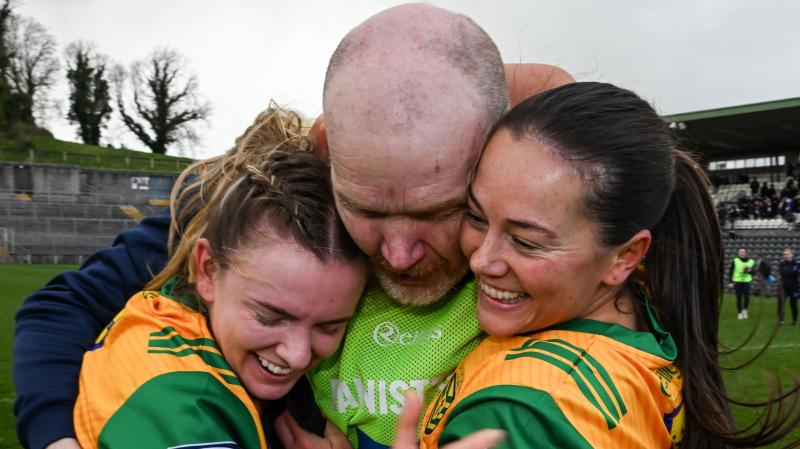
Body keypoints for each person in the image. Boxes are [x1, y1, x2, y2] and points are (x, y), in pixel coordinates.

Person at [13, 4, 574, 449]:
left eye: (438, 212)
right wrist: (58, 439)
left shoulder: (544, 228)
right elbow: (63, 308)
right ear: (330, 154)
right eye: (368, 211)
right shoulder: (263, 212)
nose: (399, 254)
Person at [418, 83, 799, 448]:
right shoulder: (635, 304)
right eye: (476, 217)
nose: (481, 260)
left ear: (625, 257)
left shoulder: (519, 415)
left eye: (526, 242)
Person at [74, 106, 369, 448]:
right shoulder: (177, 401)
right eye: (270, 316)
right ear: (208, 270)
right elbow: (62, 305)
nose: (298, 355)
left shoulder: (194, 335)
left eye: (329, 328)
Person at [729, 247, 755, 319]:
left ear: (746, 253)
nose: (741, 253)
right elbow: (731, 271)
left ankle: (745, 310)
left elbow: (754, 272)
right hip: (738, 282)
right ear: (738, 253)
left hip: (747, 281)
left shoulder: (751, 261)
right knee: (739, 298)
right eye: (740, 252)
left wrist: (749, 271)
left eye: (743, 252)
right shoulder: (735, 260)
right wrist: (730, 282)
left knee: (747, 298)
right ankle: (739, 313)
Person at [777, 248, 800, 326]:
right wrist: (793, 272)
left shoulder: (797, 264)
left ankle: (794, 321)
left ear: (792, 255)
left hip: (794, 287)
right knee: (781, 304)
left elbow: (790, 272)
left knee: (793, 304)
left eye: (787, 254)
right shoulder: (781, 264)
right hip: (783, 288)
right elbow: (785, 272)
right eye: (784, 254)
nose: (785, 255)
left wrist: (792, 272)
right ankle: (781, 321)